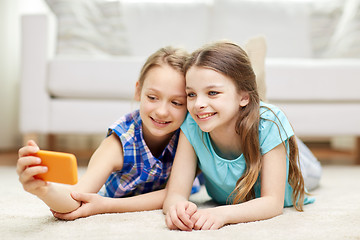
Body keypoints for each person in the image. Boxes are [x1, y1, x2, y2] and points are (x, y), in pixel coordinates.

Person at [17, 46, 197, 219]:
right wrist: (45, 190)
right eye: (152, 97)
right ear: (138, 91)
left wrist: (106, 205)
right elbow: (76, 198)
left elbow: (175, 194)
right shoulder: (118, 144)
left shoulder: (188, 133)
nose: (162, 111)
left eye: (176, 103)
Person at [163, 41, 319, 231]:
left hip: (296, 160)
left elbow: (272, 203)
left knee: (311, 169)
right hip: (246, 118)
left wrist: (222, 214)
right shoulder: (192, 124)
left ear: (243, 96)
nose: (198, 104)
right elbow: (175, 194)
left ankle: (260, 96)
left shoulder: (270, 124)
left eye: (212, 92)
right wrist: (177, 208)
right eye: (191, 94)